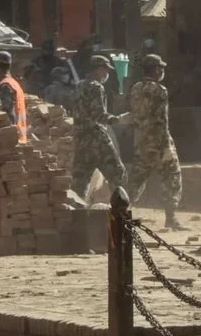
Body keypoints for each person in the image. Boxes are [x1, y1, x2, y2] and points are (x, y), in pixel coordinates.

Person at [126, 55, 184, 231]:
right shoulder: (160, 90)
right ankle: (171, 218)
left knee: (136, 179)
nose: (162, 71)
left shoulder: (135, 88)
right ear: (155, 70)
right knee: (172, 177)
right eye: (161, 68)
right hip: (158, 143)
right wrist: (166, 147)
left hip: (141, 141)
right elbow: (162, 120)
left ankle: (121, 213)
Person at [70, 55, 126, 200]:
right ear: (98, 69)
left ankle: (78, 217)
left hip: (81, 139)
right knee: (117, 174)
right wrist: (117, 119)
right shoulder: (96, 87)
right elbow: (99, 115)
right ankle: (120, 215)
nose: (106, 74)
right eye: (105, 71)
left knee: (79, 182)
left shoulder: (79, 85)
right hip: (97, 140)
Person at [0, 51, 26, 143]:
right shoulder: (14, 84)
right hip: (20, 136)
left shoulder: (5, 86)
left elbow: (6, 116)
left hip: (11, 141)